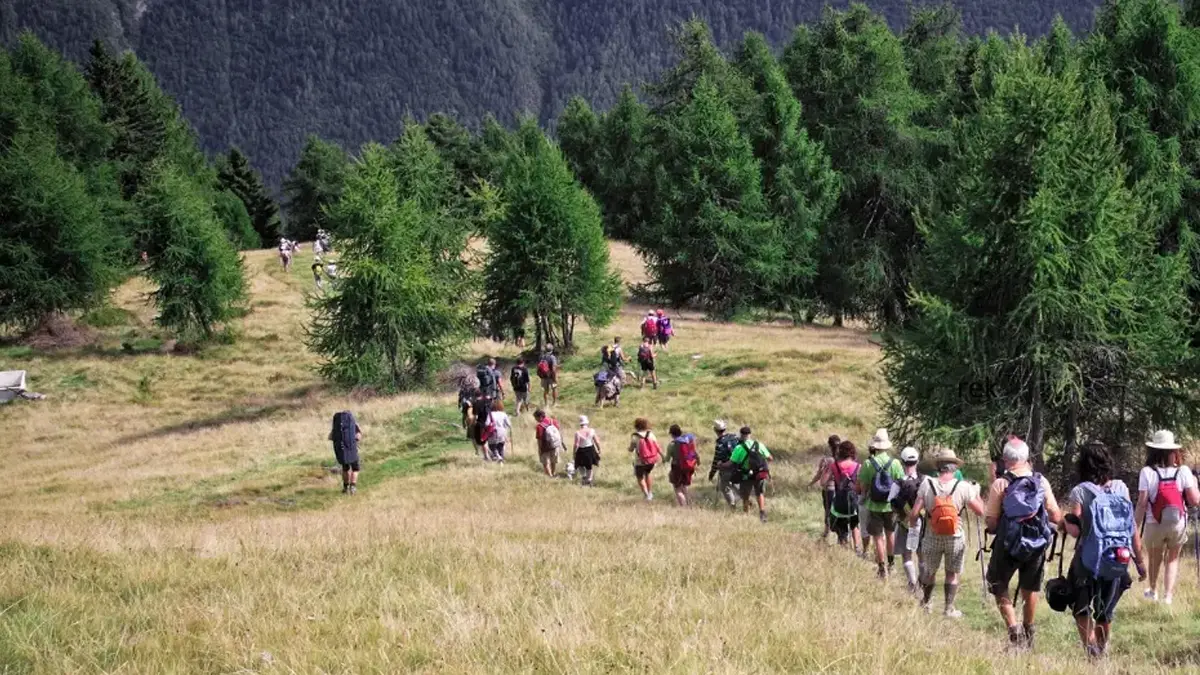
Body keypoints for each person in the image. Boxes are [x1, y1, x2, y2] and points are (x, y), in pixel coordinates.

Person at [1064, 441, 1146, 659]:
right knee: (1105, 610)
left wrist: (1065, 522)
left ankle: (1091, 650)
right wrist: (1139, 562)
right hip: (1116, 557)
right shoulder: (1121, 488)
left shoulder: (1080, 491)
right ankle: (1102, 650)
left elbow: (1075, 531)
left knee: (1081, 606)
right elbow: (1131, 527)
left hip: (1087, 558)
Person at [985, 436, 1063, 651]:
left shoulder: (1001, 484)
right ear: (1027, 458)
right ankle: (1029, 630)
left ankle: (1014, 630)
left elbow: (991, 522)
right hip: (1036, 543)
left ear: (1005, 460)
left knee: (997, 583)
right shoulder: (1041, 482)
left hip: (1008, 544)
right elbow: (1056, 515)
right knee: (1030, 587)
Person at [908, 448, 986, 618]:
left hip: (932, 534)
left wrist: (913, 528)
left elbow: (914, 513)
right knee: (951, 573)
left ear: (938, 466)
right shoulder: (963, 487)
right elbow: (980, 511)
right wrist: (977, 493)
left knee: (929, 571)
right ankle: (948, 608)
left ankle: (926, 604)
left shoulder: (927, 484)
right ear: (954, 467)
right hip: (955, 536)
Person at [1135, 430, 1200, 605]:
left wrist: (1135, 526)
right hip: (1177, 522)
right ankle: (1168, 596)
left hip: (1153, 522)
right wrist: (1194, 483)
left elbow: (1142, 503)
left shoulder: (1147, 472)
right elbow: (1195, 500)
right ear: (1174, 451)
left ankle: (1153, 591)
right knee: (1172, 558)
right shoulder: (1183, 471)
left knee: (1154, 558)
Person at [858, 428, 905, 578]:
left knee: (878, 537)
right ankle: (891, 564)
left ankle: (881, 567)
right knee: (890, 534)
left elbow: (863, 486)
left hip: (874, 505)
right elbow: (901, 483)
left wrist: (864, 497)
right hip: (890, 505)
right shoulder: (895, 463)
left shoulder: (868, 463)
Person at [723, 426, 772, 523]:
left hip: (746, 475)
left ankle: (746, 515)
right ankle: (762, 512)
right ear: (750, 434)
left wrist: (721, 465)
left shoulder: (739, 448)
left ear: (741, 435)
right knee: (759, 493)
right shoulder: (759, 445)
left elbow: (731, 463)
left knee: (745, 496)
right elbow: (770, 458)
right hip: (759, 473)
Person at [892, 446, 924, 592]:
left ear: (902, 462)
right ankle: (923, 583)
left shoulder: (898, 483)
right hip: (922, 522)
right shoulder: (925, 480)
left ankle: (912, 584)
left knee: (907, 554)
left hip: (905, 523)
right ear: (917, 461)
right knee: (921, 554)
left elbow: (891, 502)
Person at [829, 440, 863, 552]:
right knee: (855, 525)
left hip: (839, 501)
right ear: (853, 452)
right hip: (853, 501)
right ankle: (857, 548)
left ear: (840, 452)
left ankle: (843, 549)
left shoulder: (834, 466)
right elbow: (860, 486)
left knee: (841, 525)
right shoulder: (858, 466)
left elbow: (823, 482)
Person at [810, 435, 841, 541]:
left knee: (828, 510)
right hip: (840, 489)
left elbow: (819, 474)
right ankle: (840, 532)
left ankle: (827, 531)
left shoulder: (826, 460)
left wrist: (811, 483)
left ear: (829, 445)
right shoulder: (842, 459)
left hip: (829, 489)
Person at [329, 410, 362, 495]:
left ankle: (345, 487)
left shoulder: (337, 427)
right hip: (352, 449)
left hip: (342, 450)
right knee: (355, 469)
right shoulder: (353, 424)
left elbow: (330, 437)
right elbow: (358, 437)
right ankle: (353, 487)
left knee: (345, 468)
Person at [665, 424, 699, 507]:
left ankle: (684, 507)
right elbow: (694, 452)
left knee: (677, 489)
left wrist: (663, 458)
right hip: (688, 467)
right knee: (684, 486)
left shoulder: (672, 444)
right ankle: (689, 504)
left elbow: (667, 459)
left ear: (671, 434)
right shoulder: (686, 441)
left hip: (677, 468)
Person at [628, 418, 661, 501]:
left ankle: (646, 494)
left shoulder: (635, 436)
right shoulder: (651, 434)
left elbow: (631, 449)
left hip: (640, 461)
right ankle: (650, 492)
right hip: (651, 460)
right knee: (648, 474)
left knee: (639, 477)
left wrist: (629, 449)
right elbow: (656, 446)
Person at [709, 420, 740, 508]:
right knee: (735, 484)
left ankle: (732, 506)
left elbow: (716, 460)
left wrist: (712, 473)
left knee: (725, 488)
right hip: (737, 466)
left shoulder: (720, 443)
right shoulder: (734, 437)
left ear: (715, 430)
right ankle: (746, 500)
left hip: (726, 468)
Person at [534, 409, 564, 477]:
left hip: (545, 447)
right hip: (555, 444)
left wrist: (540, 449)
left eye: (536, 418)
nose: (536, 420)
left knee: (546, 463)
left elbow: (539, 439)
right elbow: (558, 431)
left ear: (540, 417)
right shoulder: (553, 421)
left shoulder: (539, 426)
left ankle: (550, 476)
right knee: (553, 461)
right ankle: (553, 473)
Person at [573, 416, 602, 486]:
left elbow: (576, 444)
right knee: (589, 466)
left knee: (580, 465)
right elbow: (597, 441)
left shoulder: (577, 433)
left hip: (581, 450)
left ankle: (584, 477)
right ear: (587, 423)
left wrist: (574, 452)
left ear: (580, 424)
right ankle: (589, 479)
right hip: (590, 449)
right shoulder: (592, 430)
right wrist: (599, 449)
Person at [469, 392, 494, 461]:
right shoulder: (487, 401)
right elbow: (492, 401)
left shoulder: (476, 404)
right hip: (490, 423)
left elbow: (476, 416)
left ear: (474, 396)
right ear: (481, 395)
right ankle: (491, 454)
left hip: (481, 424)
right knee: (486, 440)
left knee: (482, 441)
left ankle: (487, 456)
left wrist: (472, 423)